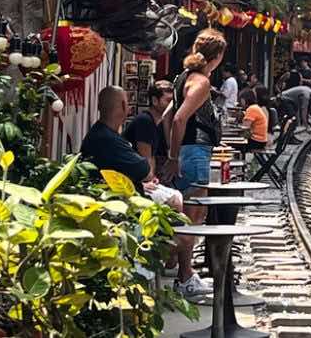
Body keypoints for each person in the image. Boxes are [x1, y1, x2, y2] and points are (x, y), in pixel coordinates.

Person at [85, 86, 210, 297]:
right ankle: (184, 279)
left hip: (122, 206)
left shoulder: (101, 135)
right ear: (124, 106)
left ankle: (183, 275)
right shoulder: (109, 138)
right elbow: (143, 168)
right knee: (187, 234)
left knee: (179, 214)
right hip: (125, 216)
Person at [165, 28, 226, 200]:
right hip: (195, 150)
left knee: (185, 205)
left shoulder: (182, 77)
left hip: (186, 149)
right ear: (218, 56)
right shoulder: (201, 82)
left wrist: (172, 148)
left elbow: (166, 116)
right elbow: (178, 119)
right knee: (196, 212)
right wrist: (173, 157)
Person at [239, 88, 269, 153]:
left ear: (244, 99)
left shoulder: (251, 109)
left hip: (256, 141)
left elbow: (245, 129)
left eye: (240, 99)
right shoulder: (255, 107)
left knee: (233, 144)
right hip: (261, 141)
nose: (240, 102)